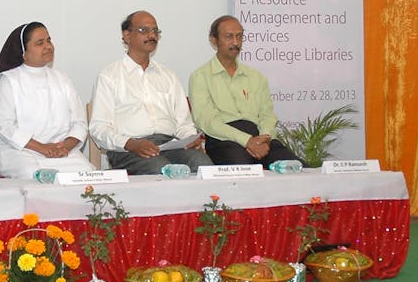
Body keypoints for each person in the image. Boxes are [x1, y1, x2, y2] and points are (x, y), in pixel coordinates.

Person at [89, 10, 212, 175]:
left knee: (203, 165)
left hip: (170, 144)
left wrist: (191, 139)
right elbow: (99, 128)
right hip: (128, 149)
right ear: (127, 35)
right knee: (161, 170)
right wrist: (130, 143)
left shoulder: (168, 75)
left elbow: (183, 122)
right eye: (144, 30)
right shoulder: (109, 76)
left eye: (155, 31)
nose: (152, 35)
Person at [0, 22, 93, 179]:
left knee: (86, 173)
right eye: (40, 43)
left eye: (49, 40)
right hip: (17, 150)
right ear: (23, 51)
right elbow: (5, 127)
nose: (48, 46)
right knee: (35, 175)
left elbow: (79, 122)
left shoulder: (62, 79)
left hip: (59, 150)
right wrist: (42, 148)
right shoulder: (8, 81)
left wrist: (65, 146)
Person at [189, 14, 300, 168]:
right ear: (214, 40)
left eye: (239, 36)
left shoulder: (256, 77)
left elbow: (267, 114)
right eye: (229, 37)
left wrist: (265, 138)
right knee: (243, 170)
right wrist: (247, 141)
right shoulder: (200, 76)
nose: (235, 42)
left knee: (297, 168)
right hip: (224, 140)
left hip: (260, 138)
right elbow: (206, 121)